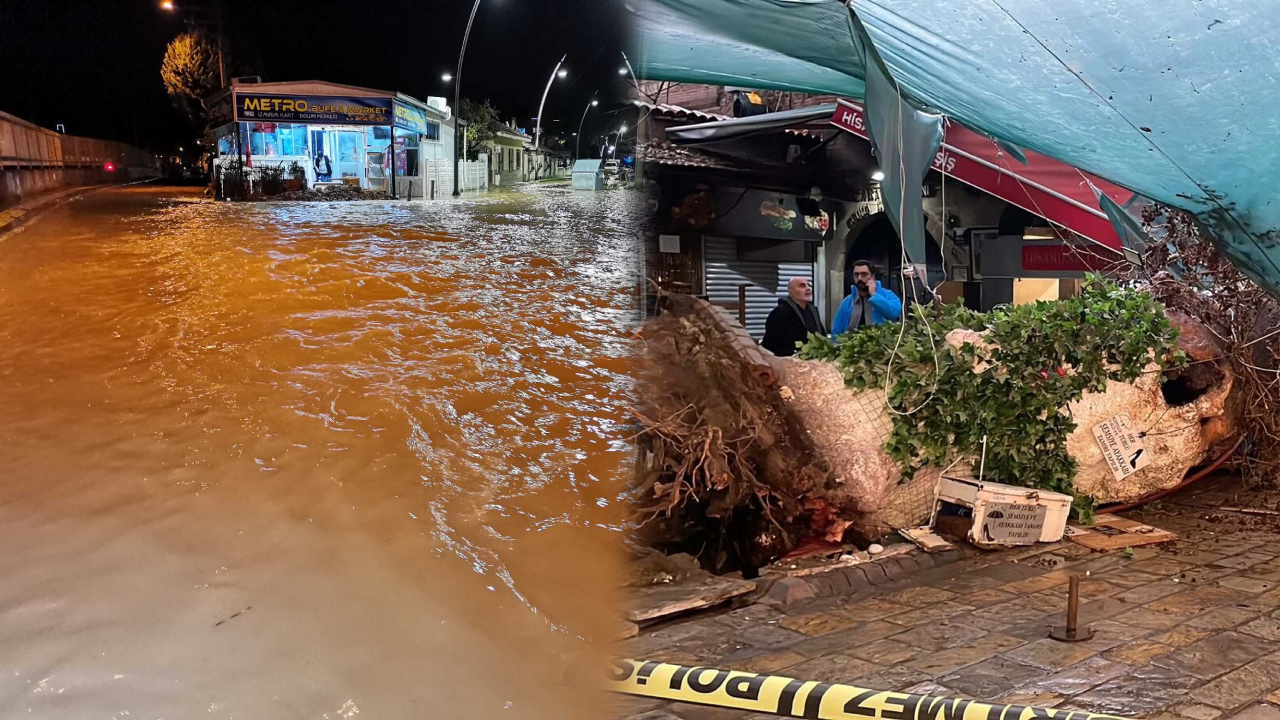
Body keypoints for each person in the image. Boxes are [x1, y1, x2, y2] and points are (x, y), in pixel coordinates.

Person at [831, 259, 903, 336]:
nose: (859, 278)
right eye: (856, 275)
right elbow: (836, 331)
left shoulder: (887, 295)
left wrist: (874, 296)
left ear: (873, 276)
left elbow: (894, 313)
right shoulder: (848, 302)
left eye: (864, 274)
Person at [762, 277, 827, 357]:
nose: (808, 288)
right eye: (802, 286)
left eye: (809, 285)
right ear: (791, 292)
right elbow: (772, 343)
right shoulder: (780, 313)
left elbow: (821, 336)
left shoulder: (813, 311)